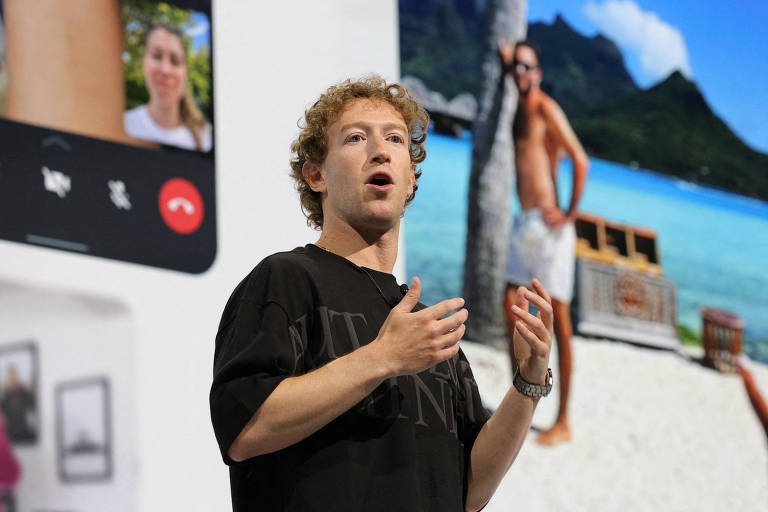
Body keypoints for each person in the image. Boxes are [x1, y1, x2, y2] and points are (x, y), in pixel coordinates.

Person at [210, 76, 556, 511]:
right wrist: (382, 358)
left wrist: (527, 381)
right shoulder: (286, 279)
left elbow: (470, 491)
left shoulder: (428, 333)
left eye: (394, 138)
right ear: (317, 175)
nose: (380, 150)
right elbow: (244, 431)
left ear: (410, 180)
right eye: (356, 137)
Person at [499, 40, 589, 446]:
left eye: (528, 67)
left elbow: (580, 159)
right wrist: (508, 64)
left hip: (551, 228)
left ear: (538, 73)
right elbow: (512, 69)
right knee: (511, 310)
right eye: (516, 66)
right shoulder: (517, 108)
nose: (521, 72)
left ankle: (565, 420)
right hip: (525, 224)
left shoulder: (543, 107)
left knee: (561, 323)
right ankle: (521, 400)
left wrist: (569, 213)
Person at [123, 25, 212, 152]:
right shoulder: (126, 123)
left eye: (175, 61)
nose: (165, 70)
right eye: (157, 56)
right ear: (144, 64)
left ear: (185, 73)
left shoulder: (206, 137)